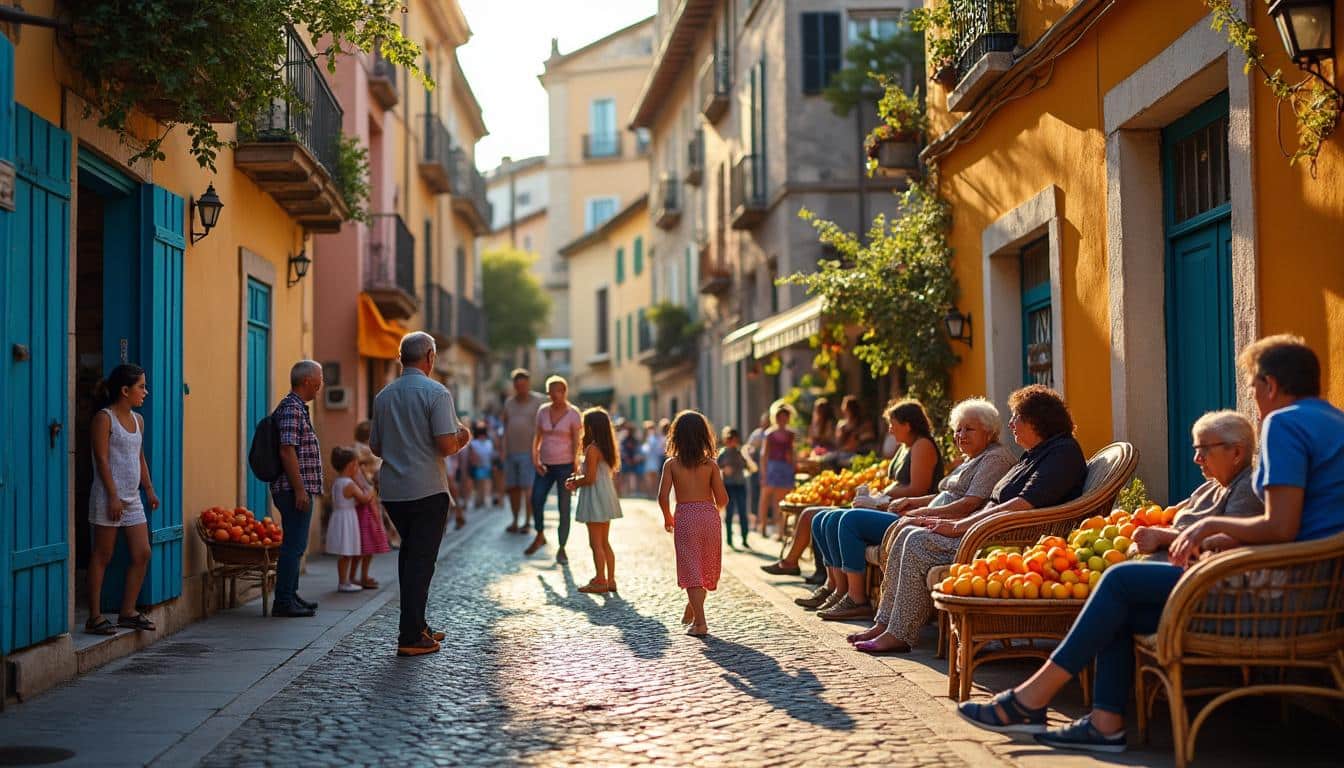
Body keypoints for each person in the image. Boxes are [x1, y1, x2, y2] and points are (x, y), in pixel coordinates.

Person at [959, 335, 1344, 753]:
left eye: (1252, 387)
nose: (1254, 397)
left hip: (1279, 597)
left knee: (1121, 581)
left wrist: (1202, 528)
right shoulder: (1332, 421)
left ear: (1269, 384)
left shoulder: (1284, 423)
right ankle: (1104, 722)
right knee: (1121, 606)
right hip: (1316, 594)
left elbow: (1281, 526)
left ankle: (1031, 699)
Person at [843, 398, 1017, 652]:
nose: (961, 435)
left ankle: (900, 633)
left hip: (965, 532)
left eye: (969, 429)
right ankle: (885, 624)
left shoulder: (995, 459)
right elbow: (947, 495)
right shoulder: (972, 459)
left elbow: (967, 505)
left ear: (989, 432)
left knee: (913, 539)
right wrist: (913, 503)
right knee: (904, 534)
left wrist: (922, 513)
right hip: (944, 522)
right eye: (958, 429)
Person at [370, 332, 471, 657]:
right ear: (429, 357)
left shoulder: (384, 396)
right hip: (426, 488)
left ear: (402, 358)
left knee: (410, 558)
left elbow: (375, 446)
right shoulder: (437, 393)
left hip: (394, 491)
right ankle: (411, 635)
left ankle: (417, 625)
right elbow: (445, 444)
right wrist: (462, 437)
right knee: (420, 562)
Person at [805, 398, 947, 620]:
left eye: (893, 424)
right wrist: (875, 497)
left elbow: (918, 488)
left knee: (849, 521)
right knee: (824, 518)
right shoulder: (905, 448)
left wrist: (880, 499)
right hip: (890, 508)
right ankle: (837, 588)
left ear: (907, 424)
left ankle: (857, 598)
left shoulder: (923, 446)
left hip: (906, 515)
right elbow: (897, 484)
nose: (890, 429)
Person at [84, 364, 160, 635]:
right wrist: (113, 496)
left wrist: (148, 489)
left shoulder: (138, 420)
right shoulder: (104, 419)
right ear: (125, 390)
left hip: (132, 498)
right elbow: (102, 459)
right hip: (108, 497)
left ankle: (127, 611)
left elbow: (138, 457)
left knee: (142, 553)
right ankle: (94, 616)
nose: (146, 392)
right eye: (141, 386)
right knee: (103, 555)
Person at [658, 410, 729, 637]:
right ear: (704, 436)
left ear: (676, 437)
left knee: (691, 569)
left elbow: (662, 496)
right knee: (705, 567)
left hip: (685, 516)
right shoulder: (710, 465)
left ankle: (700, 623)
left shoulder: (671, 465)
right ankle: (694, 607)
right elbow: (723, 499)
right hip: (708, 515)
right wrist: (711, 510)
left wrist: (668, 517)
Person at [272, 360, 325, 618]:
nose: (321, 384)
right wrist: (300, 489)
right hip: (293, 490)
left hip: (297, 489)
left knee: (296, 544)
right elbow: (286, 450)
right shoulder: (292, 409)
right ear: (307, 381)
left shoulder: (297, 408)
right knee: (293, 546)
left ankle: (290, 595)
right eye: (319, 379)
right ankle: (283, 600)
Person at [566, 407, 623, 594]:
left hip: (595, 496)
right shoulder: (606, 448)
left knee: (595, 543)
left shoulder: (592, 449)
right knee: (605, 542)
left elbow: (590, 478)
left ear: (591, 427)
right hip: (606, 495)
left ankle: (600, 580)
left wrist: (574, 482)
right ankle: (611, 579)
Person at [526, 375, 582, 563]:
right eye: (550, 392)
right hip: (545, 465)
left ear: (564, 392)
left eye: (556, 392)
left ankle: (562, 548)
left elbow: (577, 442)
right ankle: (540, 534)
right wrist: (535, 459)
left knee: (564, 508)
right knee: (536, 499)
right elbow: (537, 437)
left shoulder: (573, 414)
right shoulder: (542, 411)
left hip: (565, 466)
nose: (552, 396)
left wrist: (575, 468)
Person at [501, 370, 546, 534]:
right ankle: (514, 520)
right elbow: (505, 426)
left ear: (528, 384)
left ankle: (527, 522)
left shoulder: (539, 401)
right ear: (514, 386)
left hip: (530, 452)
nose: (521, 388)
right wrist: (503, 448)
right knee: (513, 489)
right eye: (518, 385)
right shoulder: (509, 403)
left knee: (528, 489)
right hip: (511, 452)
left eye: (524, 385)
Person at [327, 447, 370, 593]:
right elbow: (364, 499)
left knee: (345, 553)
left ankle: (343, 581)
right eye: (357, 465)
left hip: (340, 516)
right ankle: (343, 582)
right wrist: (368, 489)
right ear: (351, 465)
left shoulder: (337, 482)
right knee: (347, 552)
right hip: (347, 519)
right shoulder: (349, 484)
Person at [354, 420, 399, 549]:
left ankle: (387, 539)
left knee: (381, 514)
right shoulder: (362, 448)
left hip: (374, 484)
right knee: (380, 514)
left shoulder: (363, 447)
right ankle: (386, 540)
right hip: (371, 484)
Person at [757, 403, 797, 538]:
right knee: (765, 498)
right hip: (772, 467)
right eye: (781, 417)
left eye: (785, 417)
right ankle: (762, 525)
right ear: (776, 418)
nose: (783, 420)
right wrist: (763, 473)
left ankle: (781, 530)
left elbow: (792, 452)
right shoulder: (770, 434)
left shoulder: (791, 434)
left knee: (781, 501)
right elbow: (764, 454)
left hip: (785, 468)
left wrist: (794, 467)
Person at [717, 427, 757, 548]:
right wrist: (723, 470)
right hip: (728, 486)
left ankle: (744, 538)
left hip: (740, 485)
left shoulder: (740, 453)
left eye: (734, 439)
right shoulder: (723, 453)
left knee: (743, 512)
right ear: (726, 440)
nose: (732, 442)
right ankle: (729, 538)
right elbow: (715, 468)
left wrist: (748, 459)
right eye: (730, 439)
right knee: (729, 513)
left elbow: (751, 468)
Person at [744, 412, 769, 541]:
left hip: (769, 466)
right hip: (756, 466)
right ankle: (754, 522)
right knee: (754, 494)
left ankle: (763, 522)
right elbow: (748, 448)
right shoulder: (757, 434)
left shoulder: (770, 433)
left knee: (765, 495)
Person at [468, 422, 496, 516]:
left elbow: (491, 455)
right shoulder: (475, 443)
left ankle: (482, 500)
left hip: (486, 466)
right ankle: (479, 501)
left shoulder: (487, 442)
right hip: (480, 466)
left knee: (484, 483)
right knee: (480, 484)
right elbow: (473, 456)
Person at [641, 418, 669, 497]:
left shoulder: (656, 437)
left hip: (655, 458)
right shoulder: (649, 437)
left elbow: (657, 448)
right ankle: (650, 493)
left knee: (655, 476)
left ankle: (654, 493)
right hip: (651, 458)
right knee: (650, 476)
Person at [619, 424, 645, 496]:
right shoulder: (624, 440)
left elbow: (638, 450)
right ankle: (625, 491)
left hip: (634, 462)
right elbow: (622, 451)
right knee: (625, 476)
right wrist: (627, 459)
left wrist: (635, 459)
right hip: (625, 461)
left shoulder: (635, 440)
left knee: (635, 476)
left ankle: (634, 491)